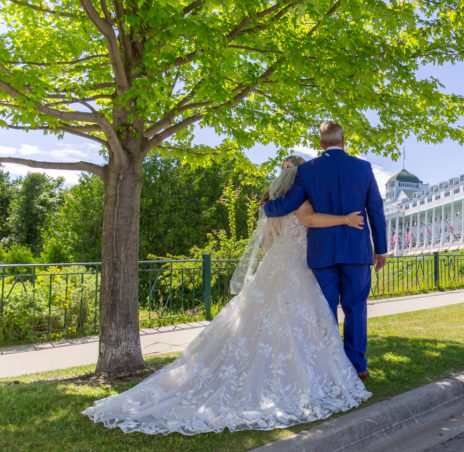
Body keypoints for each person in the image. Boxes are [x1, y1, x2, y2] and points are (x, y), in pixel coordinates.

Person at [82, 156, 371, 435]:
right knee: (303, 323)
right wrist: (344, 219)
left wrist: (273, 266)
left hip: (275, 266)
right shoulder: (304, 200)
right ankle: (312, 378)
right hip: (298, 267)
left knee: (264, 323)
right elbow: (311, 223)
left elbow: (268, 243)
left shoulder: (272, 203)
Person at [263, 121, 387, 381]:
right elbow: (375, 209)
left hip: (322, 253)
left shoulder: (308, 170)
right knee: (356, 308)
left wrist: (268, 208)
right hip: (357, 252)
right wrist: (381, 250)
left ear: (321, 144)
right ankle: (357, 367)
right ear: (344, 141)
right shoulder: (363, 168)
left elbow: (290, 203)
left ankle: (331, 366)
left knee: (325, 310)